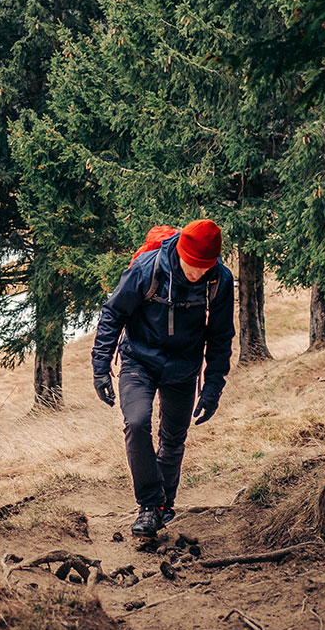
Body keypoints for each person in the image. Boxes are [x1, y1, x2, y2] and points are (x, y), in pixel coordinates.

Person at [91, 218, 235, 536]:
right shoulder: (147, 268)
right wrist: (101, 367)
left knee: (172, 439)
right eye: (191, 264)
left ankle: (162, 506)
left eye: (204, 267)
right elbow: (113, 313)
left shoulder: (220, 281)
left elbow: (221, 337)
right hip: (138, 361)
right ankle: (149, 505)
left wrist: (212, 388)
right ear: (181, 252)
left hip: (183, 368)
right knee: (137, 422)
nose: (196, 273)